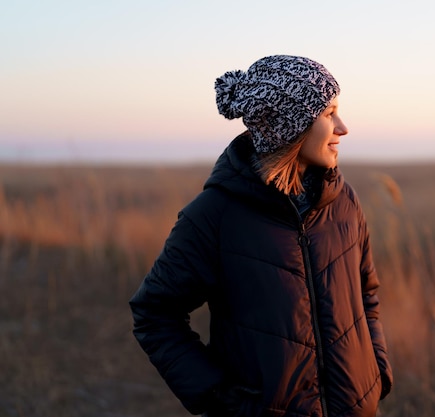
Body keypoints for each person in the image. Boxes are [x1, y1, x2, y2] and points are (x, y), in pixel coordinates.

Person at [129, 55, 393, 417]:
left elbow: (367, 295)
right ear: (291, 126)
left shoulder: (343, 202)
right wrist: (219, 398)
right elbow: (154, 313)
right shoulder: (214, 216)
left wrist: (377, 372)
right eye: (329, 113)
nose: (342, 127)